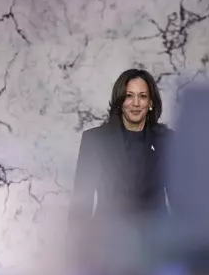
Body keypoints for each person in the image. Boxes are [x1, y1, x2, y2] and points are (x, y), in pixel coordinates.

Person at [68, 68, 173, 228]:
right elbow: (81, 205)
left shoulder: (167, 140)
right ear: (119, 101)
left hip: (156, 244)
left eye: (142, 96)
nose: (136, 103)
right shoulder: (95, 140)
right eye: (129, 96)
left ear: (150, 103)